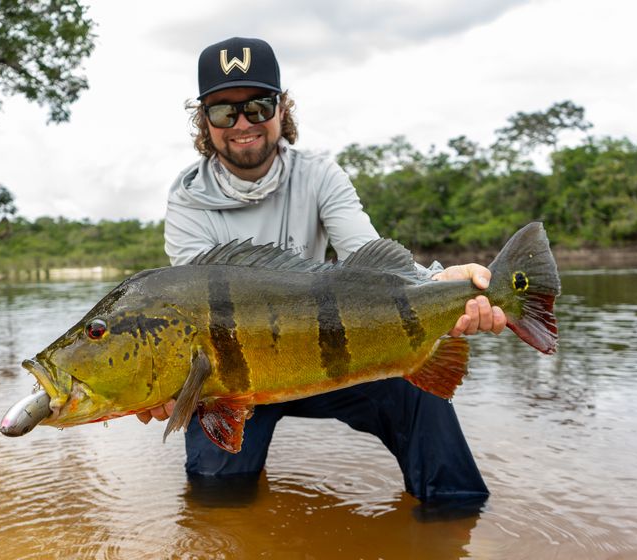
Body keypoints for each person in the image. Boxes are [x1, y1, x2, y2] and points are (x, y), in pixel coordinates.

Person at [138, 37, 506, 502]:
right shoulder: (186, 199)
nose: (243, 124)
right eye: (223, 112)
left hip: (328, 348)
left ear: (281, 109)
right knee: (216, 491)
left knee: (419, 389)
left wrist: (439, 284)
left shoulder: (320, 175)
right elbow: (196, 308)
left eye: (258, 106)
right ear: (204, 122)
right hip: (238, 373)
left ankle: (456, 520)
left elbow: (372, 257)